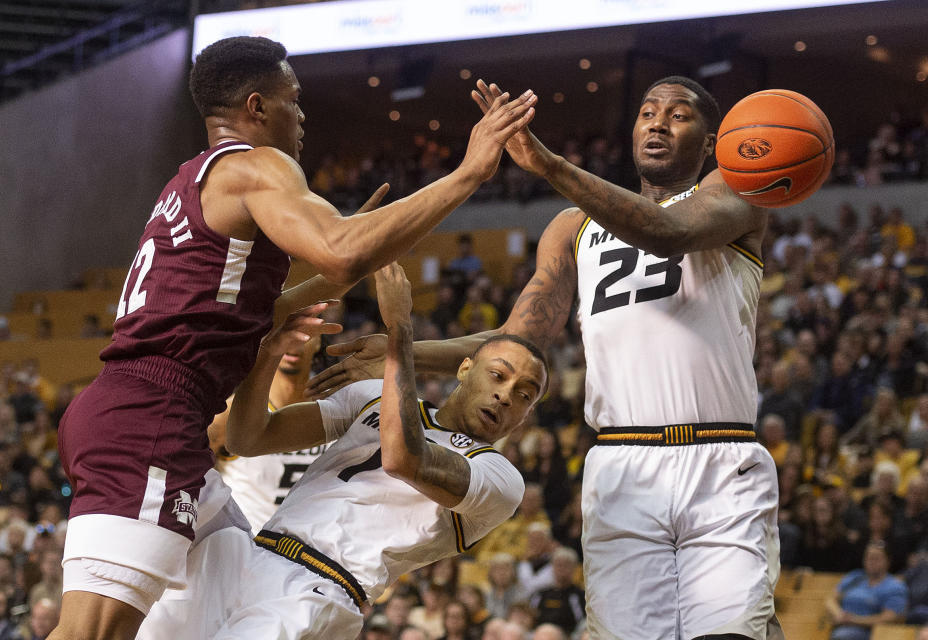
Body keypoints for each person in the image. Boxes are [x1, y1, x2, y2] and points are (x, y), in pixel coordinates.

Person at [51, 36, 537, 640]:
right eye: (295, 101)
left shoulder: (190, 180)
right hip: (154, 417)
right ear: (257, 107)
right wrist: (469, 174)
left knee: (219, 559)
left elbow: (276, 299)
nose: (302, 117)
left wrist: (334, 269)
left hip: (141, 412)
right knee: (88, 636)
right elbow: (340, 253)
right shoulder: (260, 163)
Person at [309, 75, 781, 639]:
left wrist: (550, 165)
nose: (657, 122)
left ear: (710, 143)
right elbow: (513, 344)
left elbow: (669, 231)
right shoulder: (572, 227)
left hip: (719, 454)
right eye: (648, 112)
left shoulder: (737, 192)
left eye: (678, 115)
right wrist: (398, 349)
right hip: (621, 464)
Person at [136, 263, 549, 639]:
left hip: (320, 588)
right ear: (464, 369)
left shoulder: (500, 478)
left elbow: (404, 458)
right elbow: (249, 438)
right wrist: (267, 353)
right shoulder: (372, 396)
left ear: (526, 415)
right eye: (498, 375)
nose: (504, 395)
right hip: (251, 551)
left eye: (524, 395)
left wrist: (399, 333)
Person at [209, 334, 328, 533]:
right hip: (246, 546)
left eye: (307, 332)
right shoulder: (231, 413)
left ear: (318, 340)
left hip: (308, 550)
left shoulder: (336, 409)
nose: (294, 343)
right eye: (288, 331)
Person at [825, 542, 908, 640]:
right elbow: (830, 599)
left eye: (876, 558)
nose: (872, 562)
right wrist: (839, 614)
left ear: (888, 561)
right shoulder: (854, 577)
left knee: (842, 636)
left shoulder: (895, 586)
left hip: (870, 631)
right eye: (869, 558)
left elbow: (889, 617)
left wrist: (855, 620)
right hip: (841, 624)